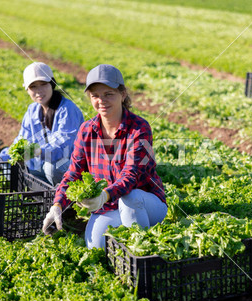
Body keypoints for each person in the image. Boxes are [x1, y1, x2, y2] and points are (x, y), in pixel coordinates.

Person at [42, 64, 167, 249]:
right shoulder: (87, 130)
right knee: (95, 245)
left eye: (108, 94)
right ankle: (125, 244)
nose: (102, 100)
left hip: (146, 202)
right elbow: (74, 173)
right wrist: (58, 205)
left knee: (130, 198)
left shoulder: (139, 128)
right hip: (110, 205)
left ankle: (142, 252)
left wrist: (104, 195)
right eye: (95, 96)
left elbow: (131, 176)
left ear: (122, 94)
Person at [0, 62, 84, 186]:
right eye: (33, 87)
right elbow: (21, 142)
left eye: (43, 84)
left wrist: (38, 151)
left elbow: (64, 147)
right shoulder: (32, 111)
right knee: (11, 168)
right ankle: (43, 196)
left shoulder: (67, 109)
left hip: (72, 167)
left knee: (52, 166)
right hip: (41, 165)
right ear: (27, 89)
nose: (39, 91)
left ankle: (65, 200)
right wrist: (1, 158)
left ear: (52, 83)